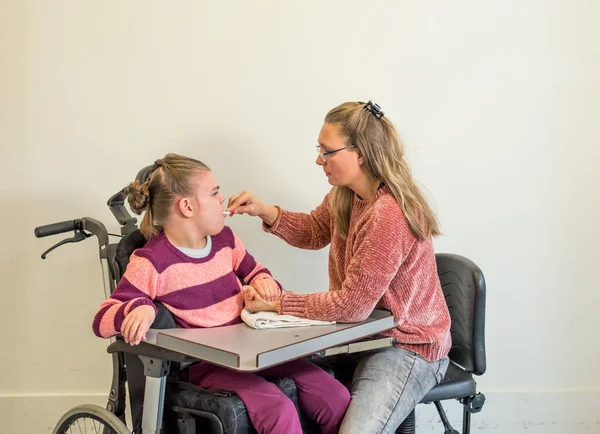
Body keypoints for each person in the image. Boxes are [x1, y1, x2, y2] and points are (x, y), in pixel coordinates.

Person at [227, 101, 452, 434]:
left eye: (327, 151)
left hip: (407, 347)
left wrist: (278, 304)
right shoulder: (346, 195)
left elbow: (351, 305)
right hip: (362, 335)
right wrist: (264, 210)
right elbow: (314, 231)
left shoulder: (388, 215)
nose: (319, 160)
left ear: (360, 153)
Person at [92, 153, 350, 434]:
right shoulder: (152, 260)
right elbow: (102, 320)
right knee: (277, 410)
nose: (222, 198)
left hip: (254, 351)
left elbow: (255, 271)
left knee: (335, 396)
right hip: (209, 365)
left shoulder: (226, 241)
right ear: (187, 206)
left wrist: (263, 282)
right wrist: (139, 307)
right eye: (214, 192)